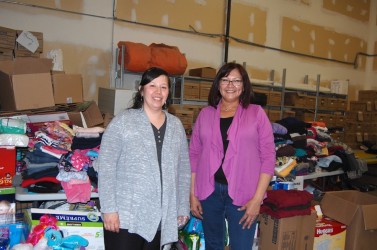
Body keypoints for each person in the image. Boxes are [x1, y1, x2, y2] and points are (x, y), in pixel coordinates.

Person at [97, 67, 191, 250]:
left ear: (168, 93)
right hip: (125, 216)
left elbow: (183, 172)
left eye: (163, 87)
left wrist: (181, 207)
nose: (158, 92)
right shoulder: (123, 122)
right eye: (152, 85)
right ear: (141, 90)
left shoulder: (175, 126)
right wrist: (108, 209)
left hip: (160, 216)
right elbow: (106, 167)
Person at [189, 62, 276, 250]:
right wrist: (192, 194)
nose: (230, 85)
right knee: (213, 245)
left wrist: (257, 199)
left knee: (241, 246)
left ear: (244, 85)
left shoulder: (256, 113)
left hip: (245, 194)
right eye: (226, 79)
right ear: (218, 84)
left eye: (236, 80)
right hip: (209, 191)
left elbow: (269, 157)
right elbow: (194, 155)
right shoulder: (205, 114)